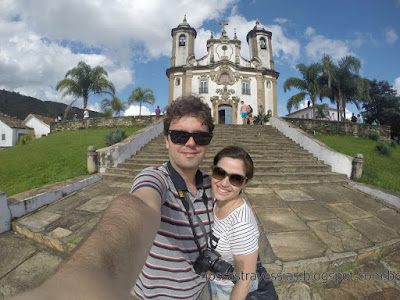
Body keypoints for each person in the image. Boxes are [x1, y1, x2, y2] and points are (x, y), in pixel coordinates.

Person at [9, 96, 215, 300]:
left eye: (201, 137)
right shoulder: (155, 179)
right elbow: (137, 206)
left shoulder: (213, 185)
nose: (191, 143)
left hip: (201, 288)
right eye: (180, 136)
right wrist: (85, 281)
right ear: (167, 141)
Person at [210, 146, 259, 300]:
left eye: (235, 178)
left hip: (228, 289)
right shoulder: (212, 201)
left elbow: (245, 279)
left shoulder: (241, 223)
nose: (224, 183)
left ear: (245, 182)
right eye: (220, 173)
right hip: (212, 282)